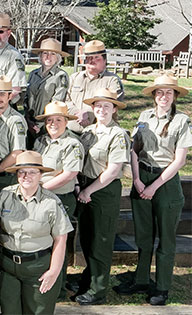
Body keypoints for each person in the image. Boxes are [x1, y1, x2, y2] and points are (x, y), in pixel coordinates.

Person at [114, 75, 192, 305]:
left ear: (175, 95)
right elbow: (134, 150)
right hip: (142, 177)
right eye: (159, 92)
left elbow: (179, 161)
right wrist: (137, 180)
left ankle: (162, 287)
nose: (164, 96)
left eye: (169, 92)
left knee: (166, 239)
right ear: (153, 95)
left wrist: (154, 186)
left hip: (165, 181)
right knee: (144, 236)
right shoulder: (144, 117)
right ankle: (141, 280)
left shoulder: (181, 120)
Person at [0, 151, 73, 314]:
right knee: (9, 310)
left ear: (40, 174)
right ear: (16, 174)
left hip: (38, 268)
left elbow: (61, 238)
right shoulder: (5, 194)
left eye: (32, 172)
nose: (26, 176)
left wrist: (54, 271)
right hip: (7, 267)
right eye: (22, 172)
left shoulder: (51, 202)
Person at [74, 88, 130, 305]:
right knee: (87, 238)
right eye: (98, 105)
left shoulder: (118, 134)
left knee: (101, 240)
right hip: (85, 187)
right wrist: (81, 187)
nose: (102, 109)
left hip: (103, 190)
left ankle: (98, 290)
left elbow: (113, 170)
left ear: (114, 109)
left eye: (107, 105)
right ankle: (88, 279)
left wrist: (89, 191)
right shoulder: (88, 132)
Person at [32, 101, 84, 300]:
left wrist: (41, 189)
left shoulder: (72, 143)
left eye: (58, 120)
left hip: (60, 199)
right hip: (40, 197)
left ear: (66, 122)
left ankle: (59, 287)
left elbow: (70, 173)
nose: (53, 123)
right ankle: (43, 282)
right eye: (50, 120)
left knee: (58, 244)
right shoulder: (41, 142)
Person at [0, 75, 27, 202]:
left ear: (9, 96)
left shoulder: (15, 120)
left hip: (6, 176)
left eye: (2, 94)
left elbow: (18, 153)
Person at [66, 40, 124, 134]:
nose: (91, 60)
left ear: (105, 60)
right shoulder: (74, 78)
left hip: (101, 133)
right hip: (71, 131)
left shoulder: (112, 81)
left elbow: (111, 104)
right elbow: (65, 100)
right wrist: (78, 113)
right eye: (88, 57)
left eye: (96, 57)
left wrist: (88, 114)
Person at [24, 38, 70, 144]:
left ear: (58, 57)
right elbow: (26, 99)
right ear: (40, 55)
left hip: (47, 125)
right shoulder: (33, 74)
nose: (48, 57)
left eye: (52, 54)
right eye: (45, 53)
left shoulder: (61, 76)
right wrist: (28, 121)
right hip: (29, 123)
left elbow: (57, 104)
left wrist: (43, 124)